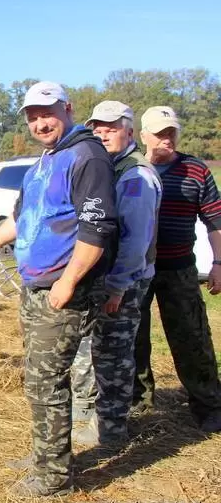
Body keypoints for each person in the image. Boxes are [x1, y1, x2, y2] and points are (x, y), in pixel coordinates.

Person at [0, 81, 117, 497]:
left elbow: (97, 229)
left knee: (47, 382)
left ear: (67, 109)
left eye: (47, 113)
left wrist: (68, 282)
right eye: (32, 117)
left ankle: (53, 480)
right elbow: (21, 220)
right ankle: (46, 456)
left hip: (63, 290)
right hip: (35, 288)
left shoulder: (87, 157)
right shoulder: (43, 162)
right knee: (37, 379)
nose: (40, 123)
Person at [69, 101, 162, 447]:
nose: (103, 134)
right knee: (98, 348)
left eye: (111, 128)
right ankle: (93, 417)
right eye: (98, 128)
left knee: (113, 356)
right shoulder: (111, 167)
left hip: (124, 280)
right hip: (108, 278)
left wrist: (118, 286)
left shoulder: (136, 176)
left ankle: (111, 431)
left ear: (130, 131)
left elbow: (136, 241)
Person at [131, 106, 221, 433]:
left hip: (179, 268)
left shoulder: (195, 170)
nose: (167, 138)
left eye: (171, 132)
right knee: (133, 337)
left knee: (192, 336)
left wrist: (218, 263)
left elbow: (215, 220)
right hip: (136, 270)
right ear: (143, 135)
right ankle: (138, 404)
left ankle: (208, 404)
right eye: (159, 133)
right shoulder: (131, 169)